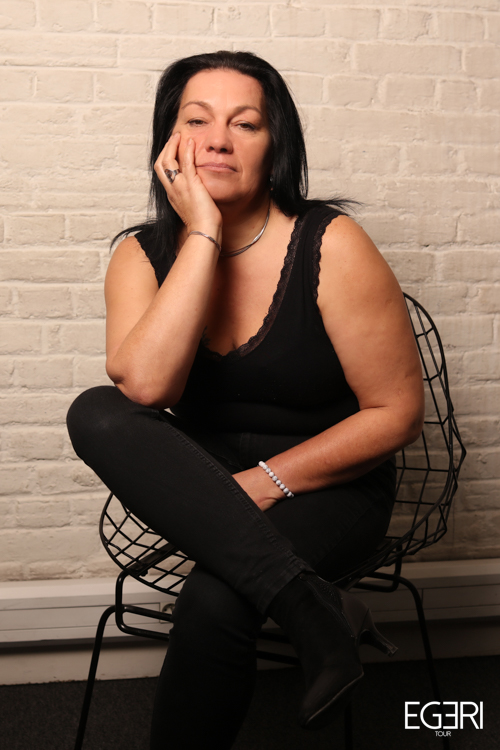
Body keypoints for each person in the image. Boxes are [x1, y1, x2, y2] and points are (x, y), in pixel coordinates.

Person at [67, 50, 425, 749]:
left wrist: (261, 484)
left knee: (215, 599)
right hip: (206, 479)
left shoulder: (332, 244)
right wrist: (202, 232)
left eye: (246, 124)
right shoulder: (140, 254)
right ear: (169, 143)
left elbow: (397, 414)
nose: (219, 141)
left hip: (330, 483)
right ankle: (316, 609)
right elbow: (148, 389)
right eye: (197, 121)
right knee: (96, 410)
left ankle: (307, 608)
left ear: (275, 144)